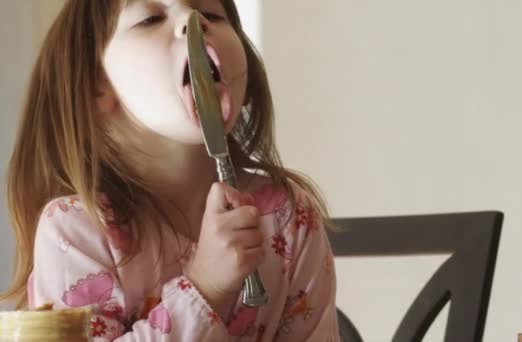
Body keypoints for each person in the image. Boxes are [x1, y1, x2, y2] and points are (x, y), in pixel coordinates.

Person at [1, 1, 339, 341]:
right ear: (96, 85)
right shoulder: (75, 230)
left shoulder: (289, 218)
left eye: (211, 14)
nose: (192, 21)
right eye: (151, 19)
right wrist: (205, 290)